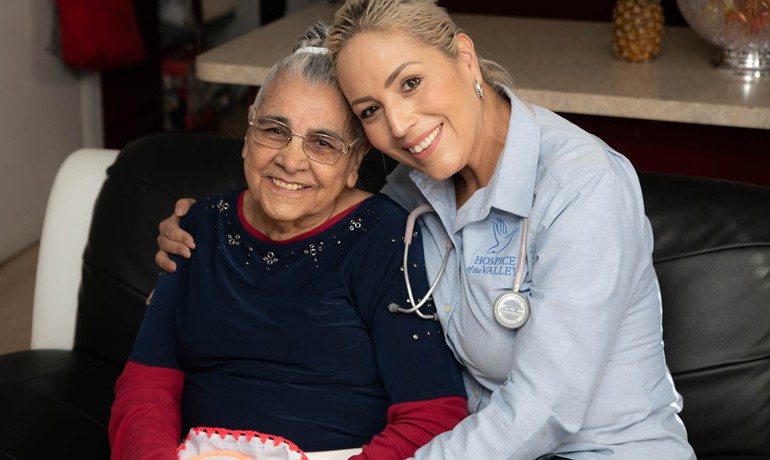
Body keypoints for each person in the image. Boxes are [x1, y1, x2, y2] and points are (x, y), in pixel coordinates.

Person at [157, 1, 697, 458]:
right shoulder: (411, 189)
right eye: (372, 109)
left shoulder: (583, 186)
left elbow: (545, 409)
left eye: (411, 83)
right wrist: (210, 236)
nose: (399, 124)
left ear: (464, 57)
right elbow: (323, 236)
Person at [110, 22, 468, 460]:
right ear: (248, 132)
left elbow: (433, 415)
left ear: (355, 161)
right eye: (275, 130)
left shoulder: (386, 239)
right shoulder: (198, 226)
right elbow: (146, 381)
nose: (291, 160)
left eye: (323, 143)